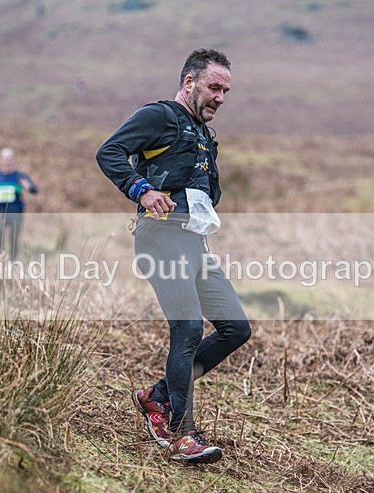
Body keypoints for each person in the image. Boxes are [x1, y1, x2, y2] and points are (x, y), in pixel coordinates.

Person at [96, 48, 251, 464]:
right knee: (186, 331)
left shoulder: (202, 134)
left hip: (193, 242)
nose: (220, 97)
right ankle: (181, 434)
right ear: (189, 83)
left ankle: (157, 396)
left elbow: (204, 194)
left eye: (226, 91)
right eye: (214, 87)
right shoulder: (158, 115)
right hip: (160, 237)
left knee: (236, 328)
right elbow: (109, 152)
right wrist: (142, 190)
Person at [0, 148, 38, 260]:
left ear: (14, 160)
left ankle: (12, 263)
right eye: (4, 158)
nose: (7, 160)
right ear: (1, 160)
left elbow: (35, 190)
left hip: (15, 212)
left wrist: (28, 186)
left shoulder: (20, 175)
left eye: (10, 158)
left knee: (13, 239)